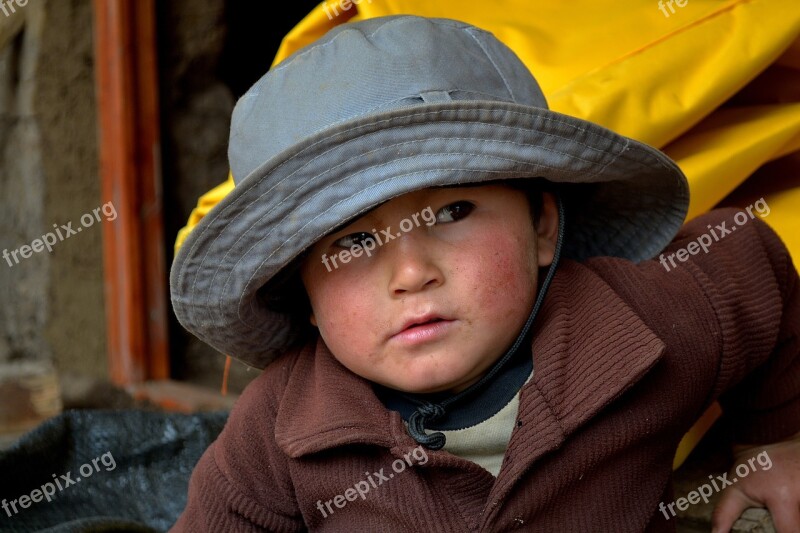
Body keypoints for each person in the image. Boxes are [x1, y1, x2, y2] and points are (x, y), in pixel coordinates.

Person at [168, 15, 800, 532]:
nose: (412, 272)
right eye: (355, 241)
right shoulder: (280, 430)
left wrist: (772, 446)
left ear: (543, 226)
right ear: (303, 295)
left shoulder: (646, 321)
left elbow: (757, 264)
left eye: (452, 211)